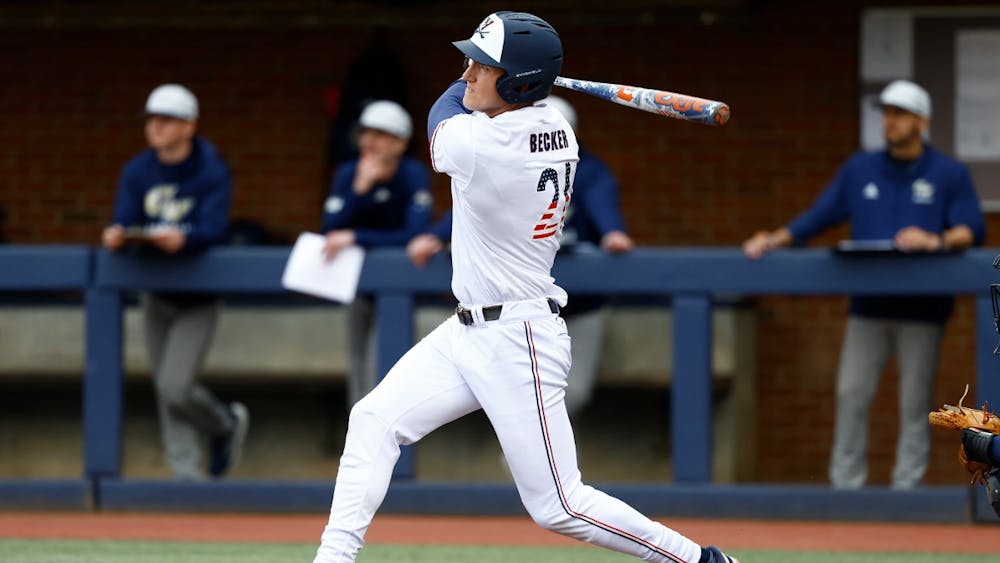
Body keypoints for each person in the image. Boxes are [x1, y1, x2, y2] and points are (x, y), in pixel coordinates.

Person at [314, 12, 739, 563]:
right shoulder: (555, 128)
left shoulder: (483, 144)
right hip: (468, 329)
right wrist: (498, 70)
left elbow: (440, 116)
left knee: (559, 505)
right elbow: (476, 102)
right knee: (374, 419)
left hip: (519, 337)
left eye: (481, 66)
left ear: (518, 84)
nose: (467, 75)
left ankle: (699, 560)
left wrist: (480, 76)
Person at [742, 79, 986, 490]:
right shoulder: (860, 168)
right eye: (886, 113)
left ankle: (907, 490)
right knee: (851, 394)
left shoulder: (948, 171)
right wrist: (773, 238)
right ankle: (845, 489)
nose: (889, 122)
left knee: (915, 405)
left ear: (921, 121)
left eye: (900, 114)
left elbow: (972, 228)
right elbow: (818, 217)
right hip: (868, 307)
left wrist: (936, 240)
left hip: (923, 309)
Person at [408, 95, 635, 418]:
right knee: (518, 399)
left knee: (572, 395)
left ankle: (538, 455)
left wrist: (612, 231)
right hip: (524, 301)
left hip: (580, 302)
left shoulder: (588, 169)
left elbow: (603, 206)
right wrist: (436, 235)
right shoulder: (508, 158)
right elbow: (477, 202)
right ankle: (528, 452)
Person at [101, 83, 249, 481]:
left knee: (176, 387)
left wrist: (186, 239)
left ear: (189, 126)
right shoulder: (138, 170)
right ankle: (186, 479)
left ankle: (225, 424)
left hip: (198, 295)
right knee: (165, 393)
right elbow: (125, 216)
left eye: (167, 120)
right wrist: (119, 235)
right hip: (155, 291)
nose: (156, 127)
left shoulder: (210, 168)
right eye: (152, 119)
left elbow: (214, 228)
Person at [320, 99, 433, 407]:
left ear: (399, 143)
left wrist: (357, 235)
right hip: (354, 284)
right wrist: (359, 190)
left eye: (380, 134)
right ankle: (359, 439)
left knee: (384, 366)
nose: (369, 141)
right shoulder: (348, 173)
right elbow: (329, 228)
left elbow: (415, 234)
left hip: (398, 285)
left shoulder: (411, 174)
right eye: (365, 133)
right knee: (357, 366)